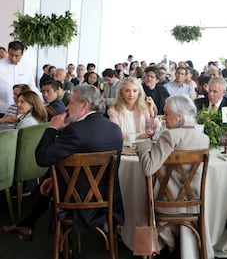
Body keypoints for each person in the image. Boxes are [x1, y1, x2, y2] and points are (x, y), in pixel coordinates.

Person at [1, 85, 124, 239]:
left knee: (47, 181)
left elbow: (42, 158)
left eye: (71, 102)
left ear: (84, 105)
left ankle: (40, 231)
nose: (66, 107)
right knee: (50, 178)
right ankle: (28, 225)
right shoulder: (115, 129)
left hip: (78, 200)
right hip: (109, 197)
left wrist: (52, 128)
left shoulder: (75, 131)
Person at [136, 94, 209, 253]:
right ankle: (172, 244)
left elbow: (148, 168)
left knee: (142, 195)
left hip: (167, 201)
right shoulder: (204, 138)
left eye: (167, 113)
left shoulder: (170, 135)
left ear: (179, 116)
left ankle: (148, 249)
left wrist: (144, 146)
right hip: (194, 200)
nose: (164, 117)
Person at [108, 77, 158, 141]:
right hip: (124, 147)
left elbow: (150, 130)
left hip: (143, 146)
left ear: (139, 93)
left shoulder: (143, 107)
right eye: (127, 91)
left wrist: (151, 112)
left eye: (134, 91)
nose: (131, 94)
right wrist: (139, 136)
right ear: (121, 93)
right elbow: (117, 133)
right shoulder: (113, 111)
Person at [0, 41, 40, 116]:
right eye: (11, 55)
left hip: (23, 110)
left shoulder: (26, 67)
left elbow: (32, 87)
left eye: (16, 56)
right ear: (8, 52)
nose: (13, 58)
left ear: (22, 54)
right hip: (2, 109)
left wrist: (41, 100)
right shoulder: (0, 65)